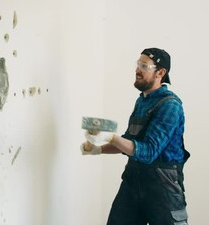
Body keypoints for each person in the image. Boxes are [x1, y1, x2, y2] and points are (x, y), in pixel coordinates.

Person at [80, 48, 190, 225]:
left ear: (160, 73)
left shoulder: (170, 105)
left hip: (163, 187)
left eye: (144, 66)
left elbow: (148, 152)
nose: (137, 69)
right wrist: (98, 149)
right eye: (138, 64)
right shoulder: (143, 100)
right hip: (133, 182)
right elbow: (130, 141)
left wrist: (111, 137)